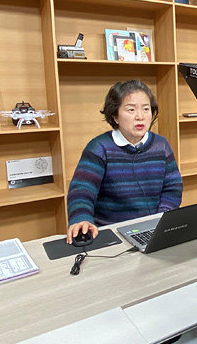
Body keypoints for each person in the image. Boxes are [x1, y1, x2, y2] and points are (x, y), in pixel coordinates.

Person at [66, 80, 182, 244]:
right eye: (131, 109)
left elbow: (173, 187)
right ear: (115, 115)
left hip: (153, 229)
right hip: (113, 232)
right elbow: (82, 190)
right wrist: (81, 218)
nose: (140, 116)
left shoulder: (161, 145)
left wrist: (161, 219)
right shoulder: (99, 147)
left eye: (146, 109)